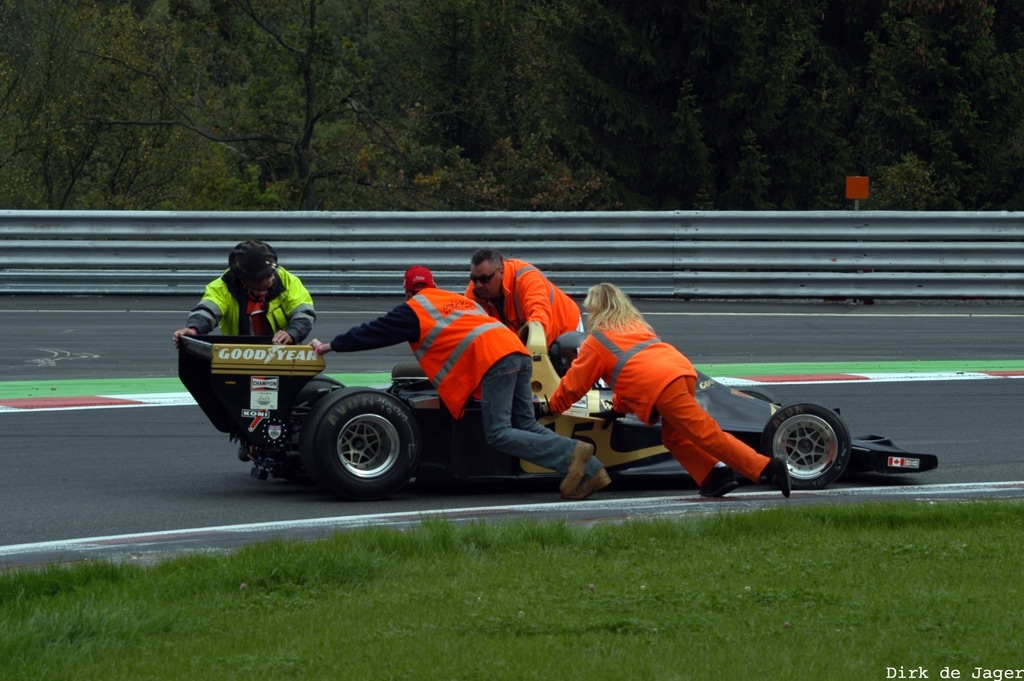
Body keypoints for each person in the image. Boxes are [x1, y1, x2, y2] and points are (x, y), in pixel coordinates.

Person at [309, 266, 610, 501]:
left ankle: (573, 455)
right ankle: (591, 469)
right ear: (434, 284)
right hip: (518, 353)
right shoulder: (459, 301)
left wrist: (330, 346)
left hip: (495, 362)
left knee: (499, 433)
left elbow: (371, 333)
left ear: (407, 291)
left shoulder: (414, 308)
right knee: (526, 425)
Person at [547, 282, 791, 499]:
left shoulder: (596, 342)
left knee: (706, 434)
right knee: (674, 438)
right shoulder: (635, 327)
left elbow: (574, 385)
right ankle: (715, 476)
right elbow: (632, 374)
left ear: (595, 309)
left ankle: (766, 469)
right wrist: (618, 408)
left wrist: (551, 406)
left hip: (664, 385)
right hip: (681, 373)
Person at [172, 240, 316, 347]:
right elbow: (207, 310)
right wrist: (193, 329)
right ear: (245, 281)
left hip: (283, 354)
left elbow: (304, 313)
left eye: (272, 272)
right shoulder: (223, 287)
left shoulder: (289, 281)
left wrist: (291, 333)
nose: (271, 277)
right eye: (264, 276)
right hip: (239, 355)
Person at [465, 248, 582, 346]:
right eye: (474, 279)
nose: (478, 285)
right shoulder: (474, 291)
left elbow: (539, 321)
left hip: (566, 330)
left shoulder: (527, 279)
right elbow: (466, 329)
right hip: (526, 340)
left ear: (501, 272)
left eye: (485, 279)